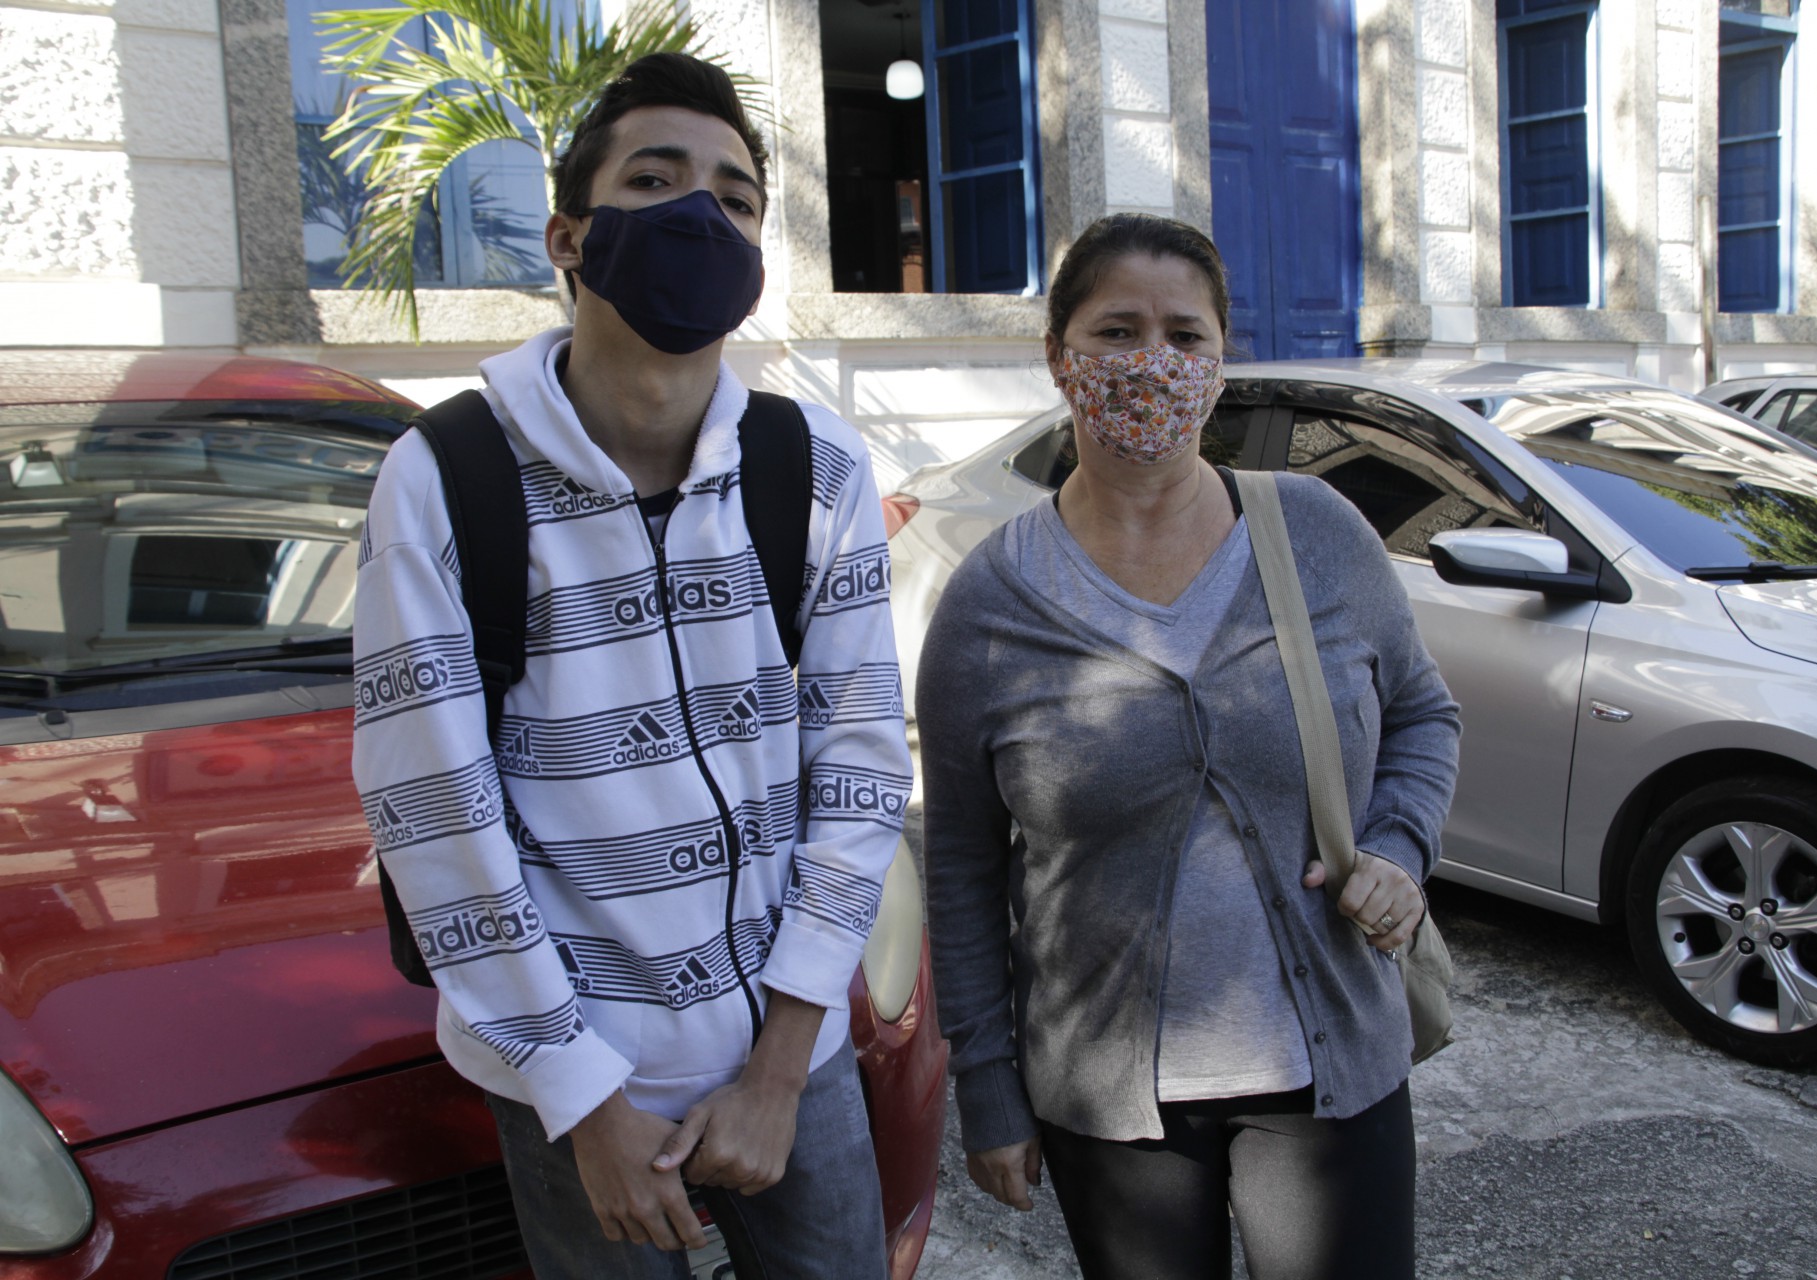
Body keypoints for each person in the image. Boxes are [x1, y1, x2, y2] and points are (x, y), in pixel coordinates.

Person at [351, 52, 909, 1279]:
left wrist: (779, 1068)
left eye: (736, 197)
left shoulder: (814, 466)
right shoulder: (447, 478)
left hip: (791, 1060)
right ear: (569, 234)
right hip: (576, 1090)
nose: (700, 217)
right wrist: (580, 1096)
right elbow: (434, 816)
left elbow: (863, 764)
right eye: (655, 181)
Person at [918, 213, 1461, 1280]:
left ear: (1220, 362)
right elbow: (963, 866)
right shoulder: (989, 604)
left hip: (1328, 1070)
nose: (1151, 362)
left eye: (1186, 334)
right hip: (1115, 1108)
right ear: (1059, 357)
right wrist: (987, 1085)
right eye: (1117, 330)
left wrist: (1399, 846)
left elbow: (1423, 713)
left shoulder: (1318, 533)